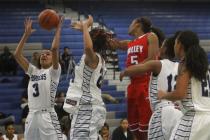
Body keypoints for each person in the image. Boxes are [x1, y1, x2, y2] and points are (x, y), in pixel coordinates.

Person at [110, 16, 165, 140]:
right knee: (135, 128)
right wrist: (107, 39)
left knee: (147, 128)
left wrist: (131, 70)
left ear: (138, 24)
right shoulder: (131, 42)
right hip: (133, 85)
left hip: (146, 83)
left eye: (131, 23)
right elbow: (116, 44)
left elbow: (152, 60)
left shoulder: (150, 36)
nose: (129, 26)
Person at [120, 35, 183, 140]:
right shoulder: (180, 66)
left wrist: (125, 72)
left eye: (161, 46)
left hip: (162, 111)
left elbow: (140, 68)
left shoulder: (158, 64)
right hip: (178, 111)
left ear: (165, 49)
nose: (159, 48)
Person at [63, 15, 113, 139]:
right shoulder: (98, 59)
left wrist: (85, 26)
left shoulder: (92, 58)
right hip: (89, 107)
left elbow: (88, 47)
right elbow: (90, 45)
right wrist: (85, 30)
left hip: (87, 108)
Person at [14, 17, 64, 140]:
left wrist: (58, 29)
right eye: (42, 54)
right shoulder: (33, 71)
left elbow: (54, 48)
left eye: (47, 54)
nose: (44, 55)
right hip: (32, 115)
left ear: (53, 59)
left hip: (47, 115)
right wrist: (26, 35)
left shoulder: (54, 71)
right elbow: (17, 55)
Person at [158, 30, 210, 140]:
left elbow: (180, 94)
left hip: (194, 118)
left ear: (180, 45)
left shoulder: (185, 63)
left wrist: (164, 95)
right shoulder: (205, 67)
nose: (174, 45)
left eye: (176, 42)